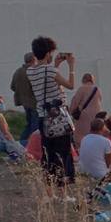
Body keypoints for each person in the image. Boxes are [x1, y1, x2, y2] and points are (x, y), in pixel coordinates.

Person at [26, 36, 77, 187]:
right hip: (58, 118)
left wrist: (56, 65)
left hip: (43, 117)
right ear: (48, 53)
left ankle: (50, 188)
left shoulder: (30, 71)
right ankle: (63, 190)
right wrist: (71, 66)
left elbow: (47, 78)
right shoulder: (51, 70)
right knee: (62, 153)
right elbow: (70, 85)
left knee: (48, 153)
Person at [10, 52, 38, 143]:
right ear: (34, 60)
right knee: (35, 125)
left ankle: (22, 142)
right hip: (34, 102)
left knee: (29, 124)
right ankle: (31, 144)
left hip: (24, 102)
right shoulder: (33, 71)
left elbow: (12, 87)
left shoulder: (18, 71)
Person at [68, 73, 102, 146]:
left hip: (83, 118)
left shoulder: (81, 89)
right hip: (96, 118)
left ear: (84, 79)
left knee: (82, 139)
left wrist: (71, 112)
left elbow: (75, 102)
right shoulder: (97, 89)